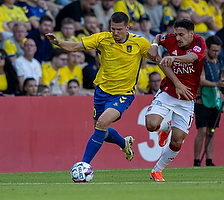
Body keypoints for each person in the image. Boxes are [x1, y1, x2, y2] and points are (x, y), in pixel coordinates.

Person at [46, 12, 151, 166]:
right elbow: (75, 46)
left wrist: (160, 48)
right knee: (100, 129)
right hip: (102, 92)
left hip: (123, 93)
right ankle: (124, 143)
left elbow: (156, 58)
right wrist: (59, 43)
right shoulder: (102, 38)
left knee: (101, 123)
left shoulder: (140, 43)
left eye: (119, 29)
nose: (115, 32)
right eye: (113, 29)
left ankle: (84, 165)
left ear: (127, 27)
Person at [145, 19, 206, 181]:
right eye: (176, 34)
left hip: (187, 97)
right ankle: (165, 126)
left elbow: (193, 57)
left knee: (177, 141)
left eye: (182, 35)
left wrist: (173, 58)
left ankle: (157, 170)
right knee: (151, 125)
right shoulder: (170, 39)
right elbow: (158, 37)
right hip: (168, 91)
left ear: (191, 34)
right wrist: (154, 45)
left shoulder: (199, 42)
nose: (178, 38)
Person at [193, 35, 224, 167]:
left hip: (215, 100)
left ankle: (209, 160)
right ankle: (196, 160)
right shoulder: (203, 61)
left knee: (211, 131)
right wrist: (217, 84)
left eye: (218, 51)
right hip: (202, 100)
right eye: (213, 51)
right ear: (207, 49)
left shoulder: (218, 62)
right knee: (202, 131)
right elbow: (201, 80)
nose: (216, 53)